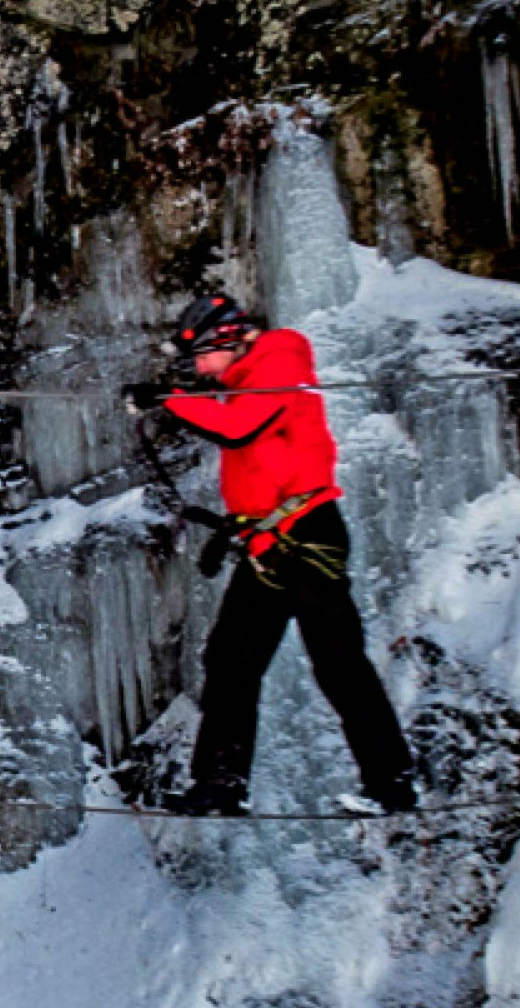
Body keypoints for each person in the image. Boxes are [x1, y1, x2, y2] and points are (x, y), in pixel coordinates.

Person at [128, 292, 417, 815]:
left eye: (201, 357)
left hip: (307, 533)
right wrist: (174, 397)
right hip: (269, 544)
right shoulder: (245, 383)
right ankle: (221, 783)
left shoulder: (280, 359)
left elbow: (242, 429)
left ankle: (392, 783)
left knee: (337, 661)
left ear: (226, 339)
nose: (200, 370)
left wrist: (167, 399)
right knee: (231, 660)